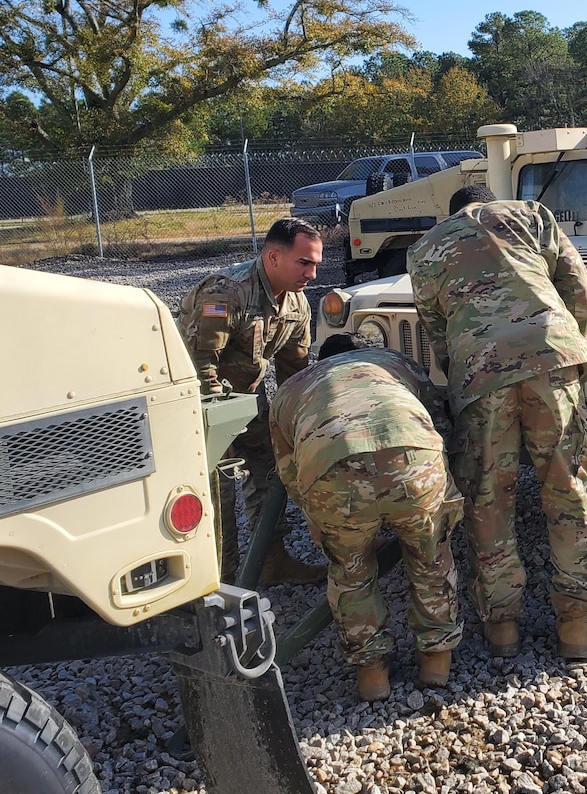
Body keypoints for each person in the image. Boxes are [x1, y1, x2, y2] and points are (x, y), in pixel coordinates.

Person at [408, 184, 587, 661]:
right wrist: (565, 344)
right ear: (490, 199)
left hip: (481, 375)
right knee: (566, 488)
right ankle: (574, 625)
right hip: (552, 362)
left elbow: (436, 328)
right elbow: (576, 282)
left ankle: (503, 627)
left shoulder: (426, 248)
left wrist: (462, 370)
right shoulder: (529, 214)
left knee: (489, 500)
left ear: (452, 212)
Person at [269, 333, 463, 700]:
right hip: (413, 458)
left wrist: (329, 524)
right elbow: (441, 421)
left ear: (318, 364)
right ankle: (436, 661)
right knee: (431, 558)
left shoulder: (293, 387)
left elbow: (289, 471)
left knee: (351, 572)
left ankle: (372, 676)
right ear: (363, 352)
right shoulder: (392, 361)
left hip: (332, 471)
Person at [179, 217, 327, 586]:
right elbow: (199, 364)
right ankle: (217, 582)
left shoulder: (297, 304)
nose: (312, 274)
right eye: (304, 263)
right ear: (274, 257)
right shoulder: (227, 292)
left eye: (316, 264)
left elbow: (295, 371)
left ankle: (270, 561)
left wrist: (294, 425)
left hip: (248, 397)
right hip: (199, 403)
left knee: (268, 470)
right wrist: (222, 427)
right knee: (216, 489)